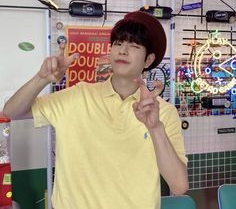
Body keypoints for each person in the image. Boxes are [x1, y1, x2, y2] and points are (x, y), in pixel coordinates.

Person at [3, 11, 188, 209]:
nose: (123, 51)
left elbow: (179, 186)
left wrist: (155, 128)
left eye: (134, 46)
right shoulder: (78, 96)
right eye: (118, 43)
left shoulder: (163, 113)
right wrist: (41, 78)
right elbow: (12, 111)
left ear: (149, 60)